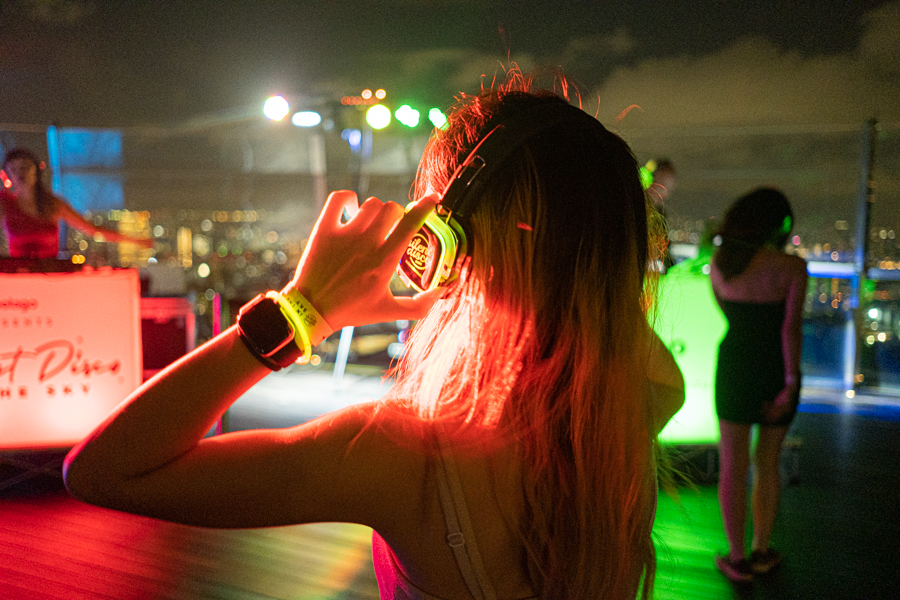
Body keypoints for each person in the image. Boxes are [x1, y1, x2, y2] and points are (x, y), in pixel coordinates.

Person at [64, 76, 685, 599]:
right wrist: (591, 230)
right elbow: (595, 297)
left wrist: (301, 310)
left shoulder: (401, 457)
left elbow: (103, 472)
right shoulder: (644, 398)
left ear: (442, 246)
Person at [709, 188, 807, 583]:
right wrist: (791, 381)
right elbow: (790, 330)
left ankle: (736, 558)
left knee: (732, 466)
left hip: (734, 365)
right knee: (768, 464)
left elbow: (730, 317)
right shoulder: (791, 268)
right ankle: (762, 550)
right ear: (776, 224)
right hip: (774, 369)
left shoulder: (721, 263)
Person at [1, 147, 152, 259]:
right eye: (14, 169)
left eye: (25, 167)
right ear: (8, 174)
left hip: (50, 275)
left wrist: (136, 240)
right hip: (18, 276)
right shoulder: (5, 203)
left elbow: (91, 229)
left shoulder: (52, 204)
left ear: (36, 170)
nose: (20, 173)